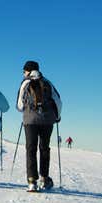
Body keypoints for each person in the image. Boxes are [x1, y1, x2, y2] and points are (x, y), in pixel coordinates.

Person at [16, 60, 62, 192]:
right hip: (47, 120)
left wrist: (26, 111)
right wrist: (57, 117)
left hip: (30, 121)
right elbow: (58, 101)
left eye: (24, 71)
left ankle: (32, 181)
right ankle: (44, 178)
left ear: (28, 71)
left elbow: (19, 105)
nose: (24, 73)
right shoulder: (47, 82)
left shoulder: (25, 83)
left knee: (31, 149)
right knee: (44, 148)